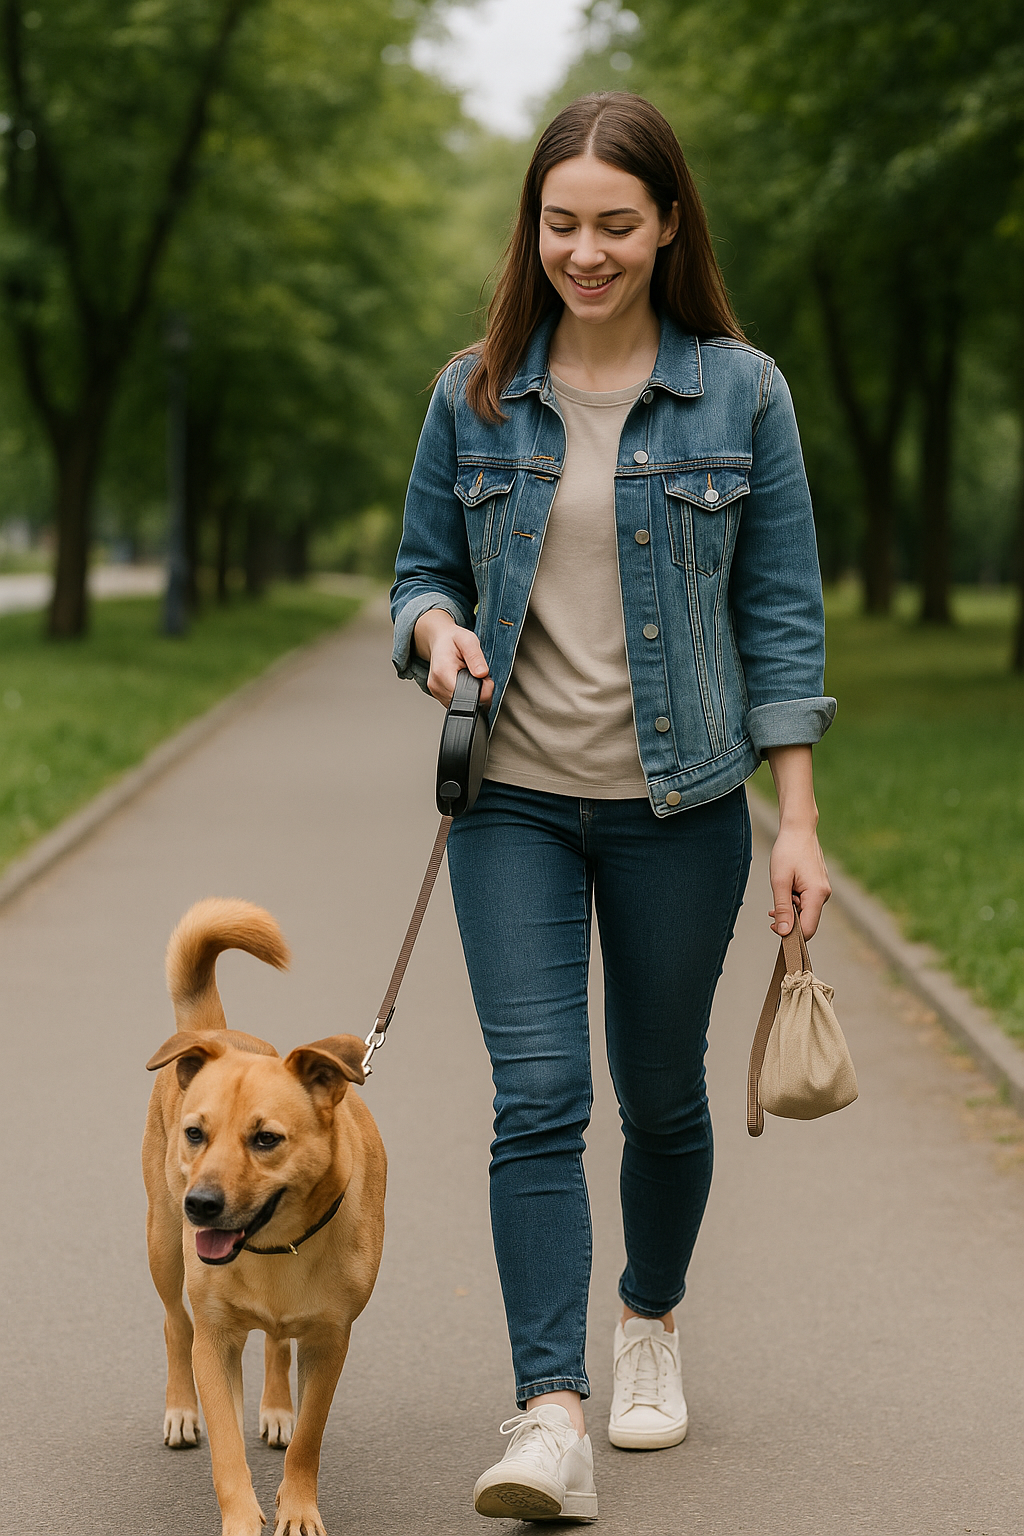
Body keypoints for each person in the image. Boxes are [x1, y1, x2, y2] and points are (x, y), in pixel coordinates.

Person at [390, 92, 834, 1522]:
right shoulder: (475, 393)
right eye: (561, 222)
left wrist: (802, 822)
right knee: (539, 1101)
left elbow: (781, 618)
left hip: (682, 806)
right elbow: (416, 575)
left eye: (615, 225)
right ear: (534, 226)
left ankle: (648, 1321)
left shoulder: (741, 393)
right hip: (511, 802)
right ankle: (551, 1413)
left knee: (660, 1099)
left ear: (668, 226)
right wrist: (434, 633)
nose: (586, 251)